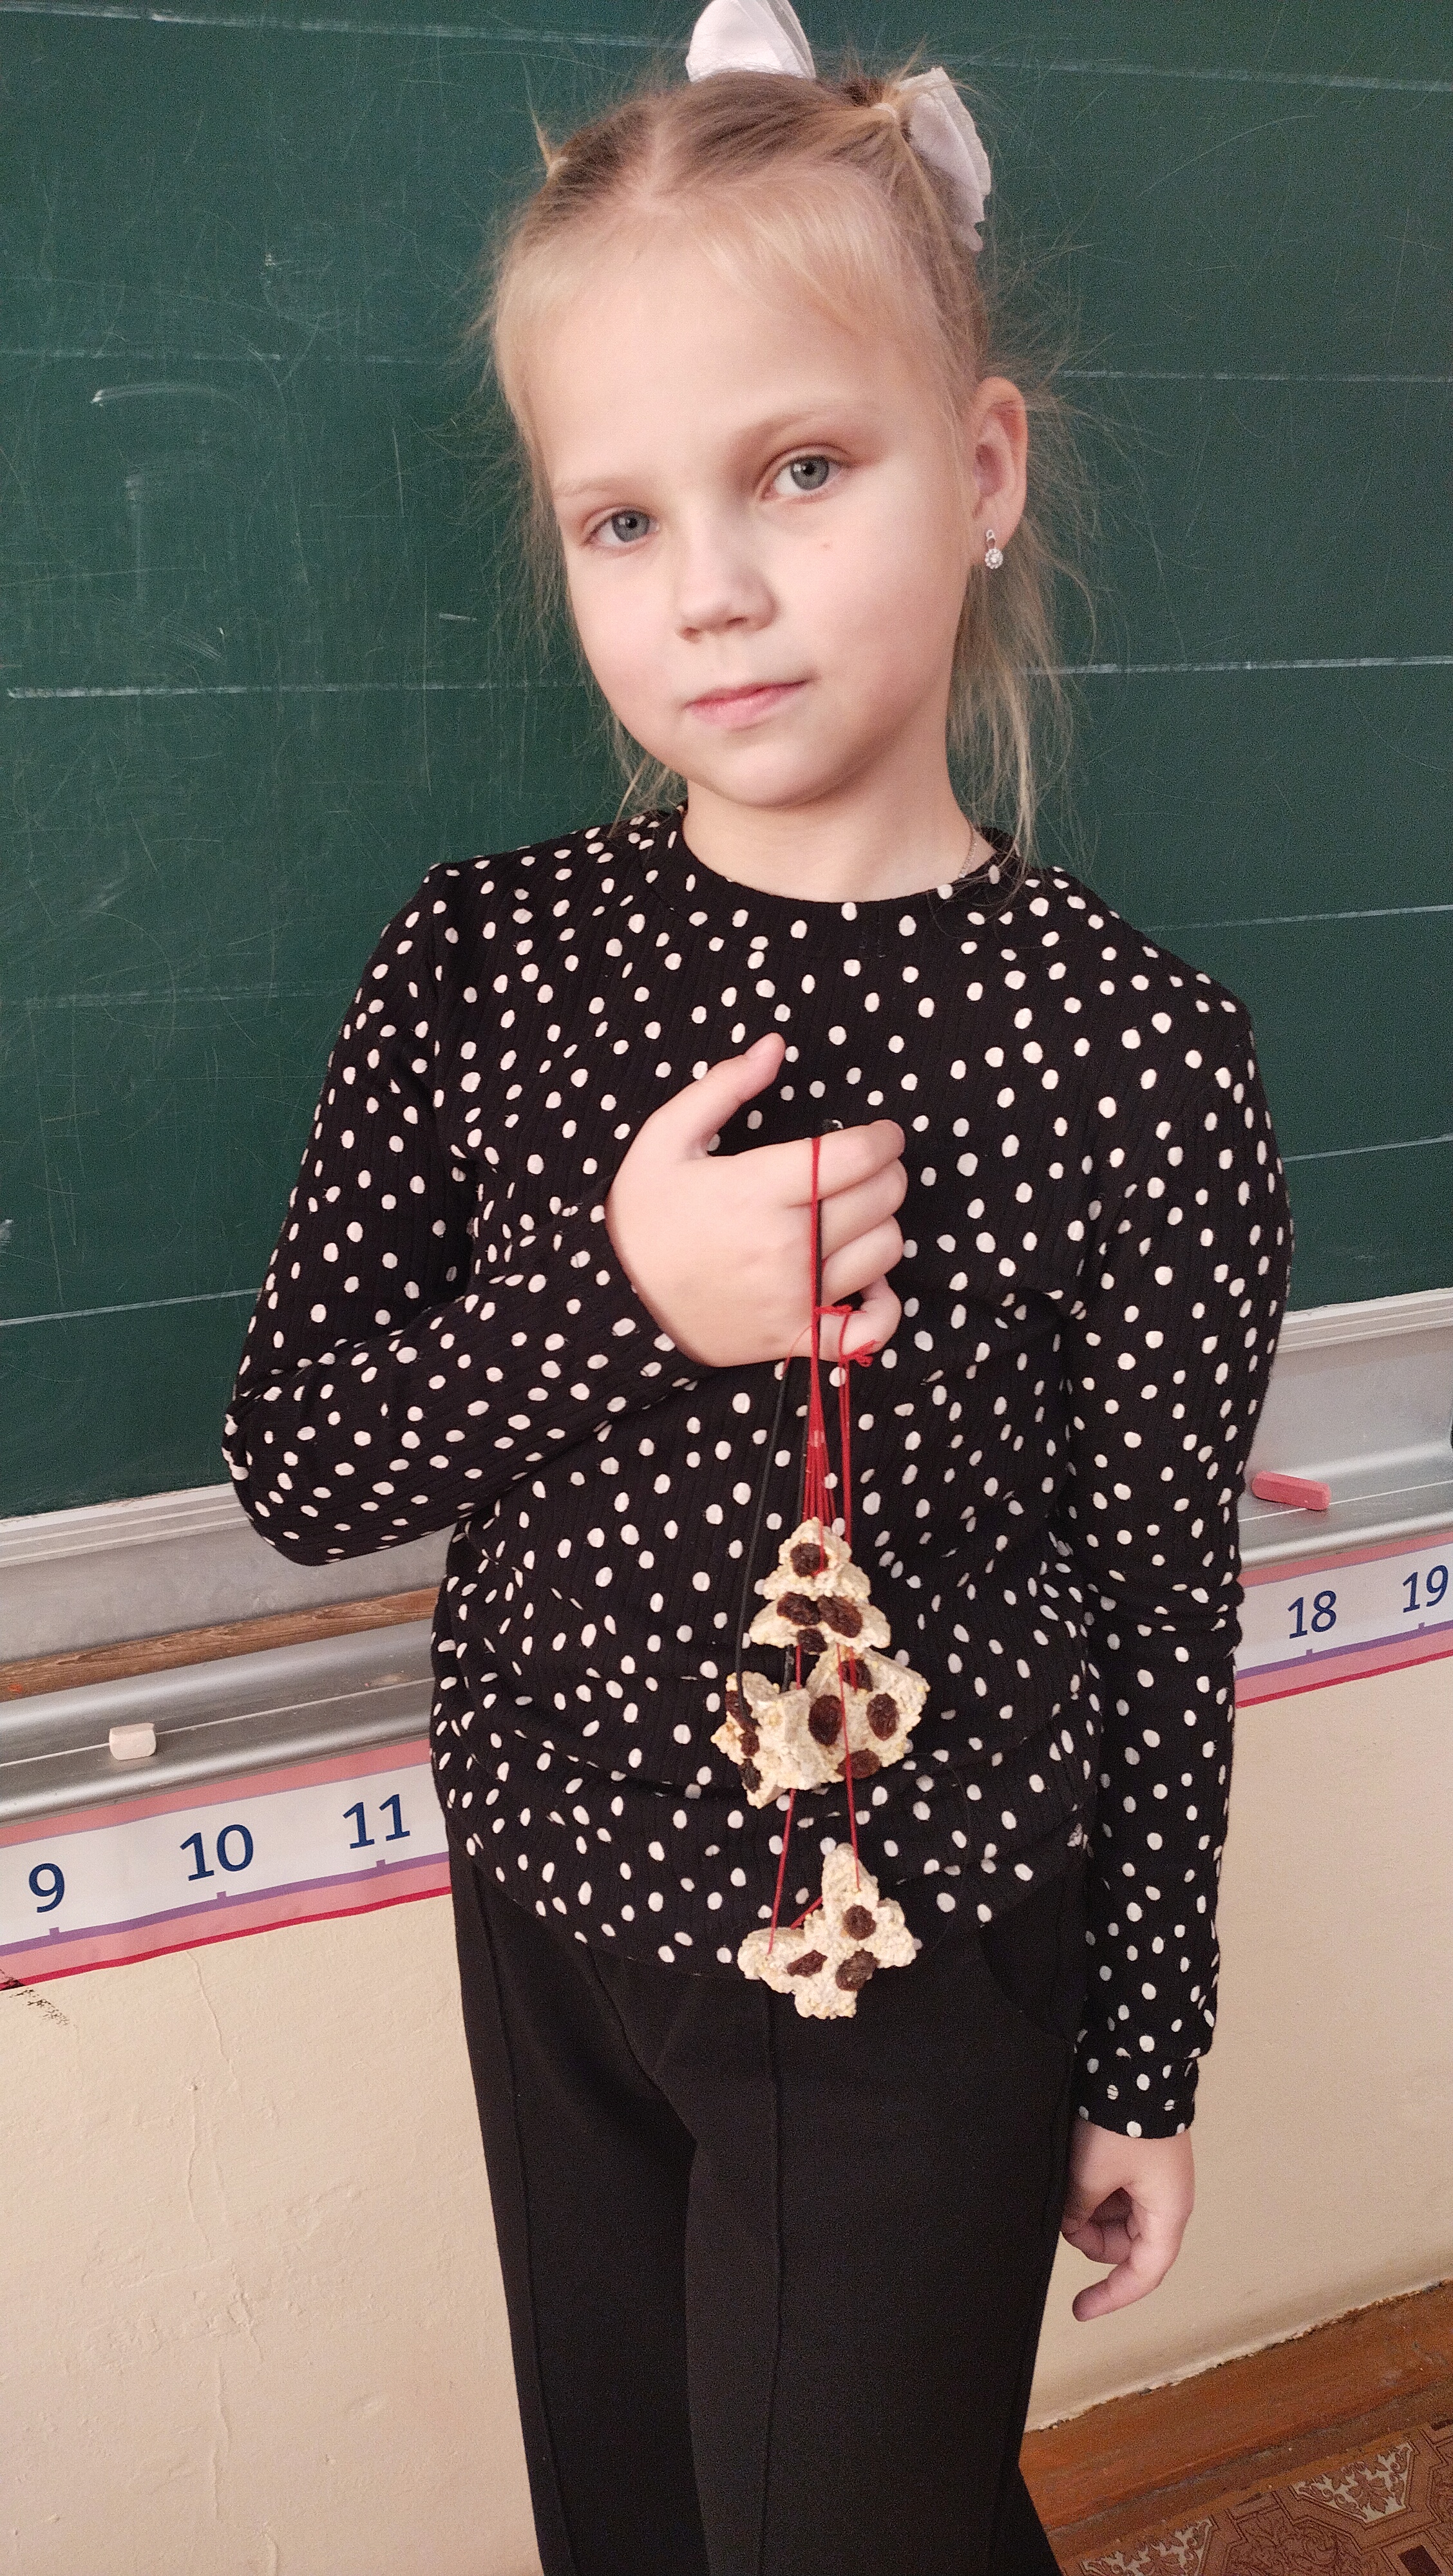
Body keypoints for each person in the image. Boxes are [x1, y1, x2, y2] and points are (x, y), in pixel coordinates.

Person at [224, 6, 1291, 2568]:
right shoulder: (484, 962)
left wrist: (1140, 2054)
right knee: (634, 2522)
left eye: (802, 470)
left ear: (984, 468)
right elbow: (302, 1460)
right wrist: (627, 1291)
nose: (711, 585)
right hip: (557, 1914)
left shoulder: (1137, 1049)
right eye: (621, 518)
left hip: (919, 1972)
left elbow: (1159, 1591)